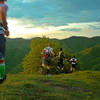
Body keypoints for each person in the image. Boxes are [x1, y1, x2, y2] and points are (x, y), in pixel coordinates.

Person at [0, 0, 9, 83]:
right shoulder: (3, 5)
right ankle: (1, 78)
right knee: (1, 57)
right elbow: (2, 14)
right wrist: (6, 28)